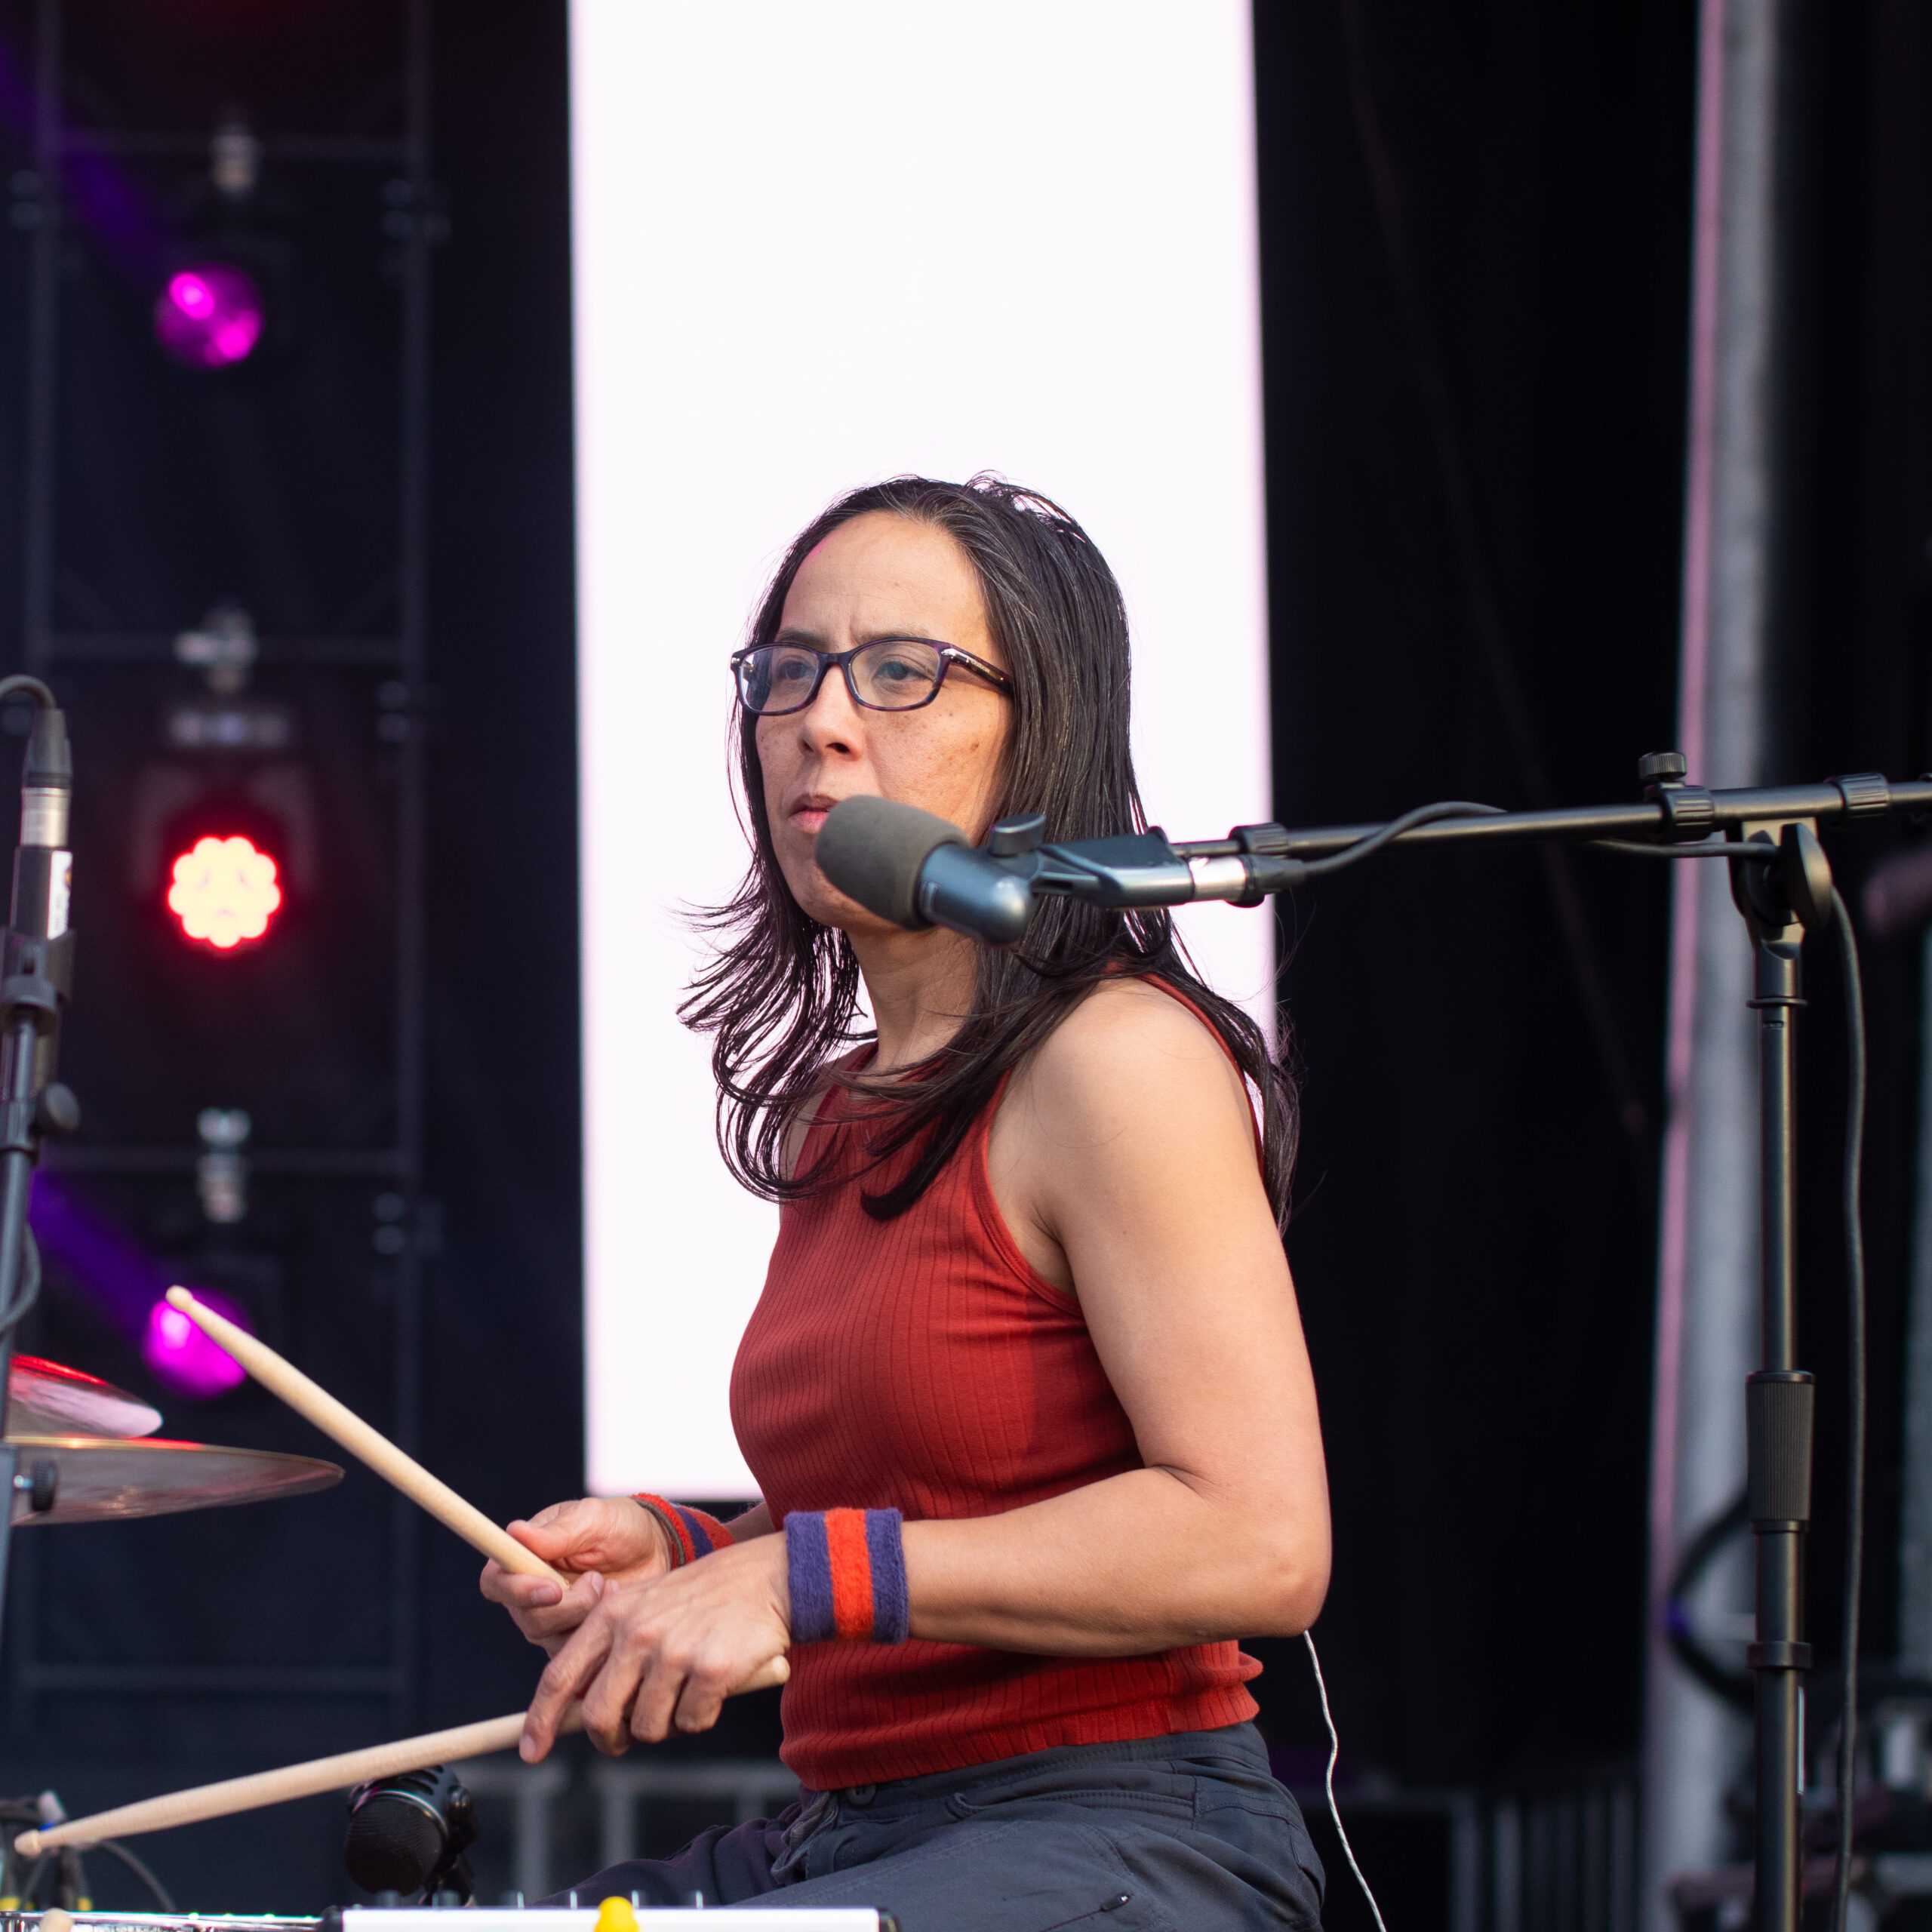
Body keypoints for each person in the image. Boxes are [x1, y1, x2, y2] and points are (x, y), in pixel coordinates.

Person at [481, 476, 1331, 1930]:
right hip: (860, 1835)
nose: (820, 719)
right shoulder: (838, 1108)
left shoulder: (1116, 1060)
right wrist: (688, 1557)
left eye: (899, 673)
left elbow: (1258, 1540)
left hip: (1124, 1834)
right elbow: (925, 1497)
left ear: (1037, 731)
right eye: (789, 671)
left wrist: (796, 1578)